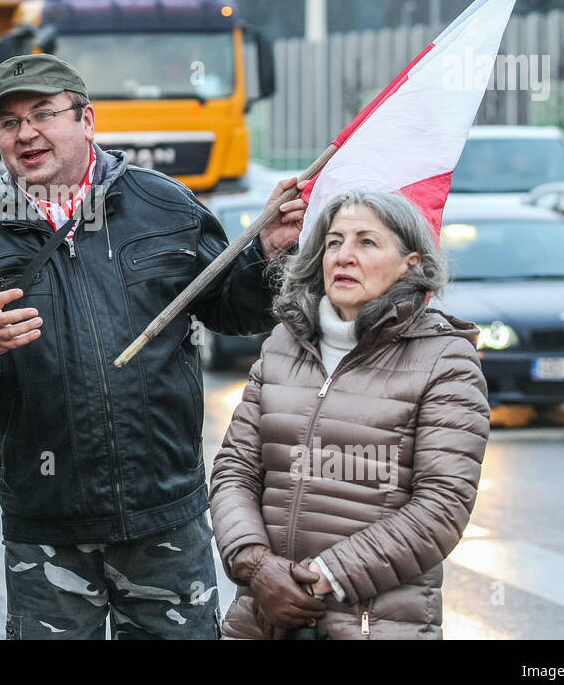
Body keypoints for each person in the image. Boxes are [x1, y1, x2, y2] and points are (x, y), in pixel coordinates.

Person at [0, 53, 305, 640]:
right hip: (45, 528)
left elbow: (232, 308)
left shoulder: (165, 206)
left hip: (165, 516)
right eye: (9, 122)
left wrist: (267, 254)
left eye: (43, 113)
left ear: (87, 120)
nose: (26, 133)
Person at [209, 190, 490, 640]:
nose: (345, 256)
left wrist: (322, 578)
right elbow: (235, 471)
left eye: (367, 243)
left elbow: (442, 505)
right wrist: (257, 566)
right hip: (262, 616)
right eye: (334, 242)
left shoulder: (445, 359)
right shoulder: (283, 345)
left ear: (411, 263)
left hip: (370, 625)